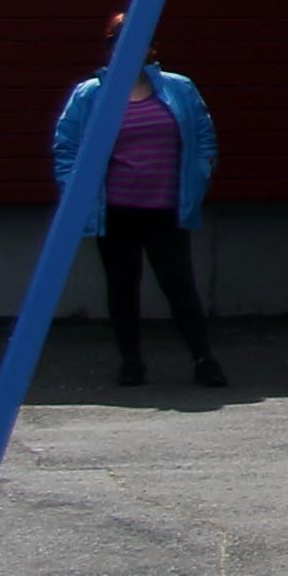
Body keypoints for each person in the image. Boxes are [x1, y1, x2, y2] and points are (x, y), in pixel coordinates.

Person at [52, 20, 226, 390]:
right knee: (122, 286)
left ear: (150, 47)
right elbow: (67, 146)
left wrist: (202, 174)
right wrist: (74, 191)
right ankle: (131, 362)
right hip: (116, 210)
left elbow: (204, 137)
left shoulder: (178, 89)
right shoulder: (91, 95)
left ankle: (203, 359)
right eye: (120, 42)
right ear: (111, 47)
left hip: (167, 208)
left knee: (179, 285)